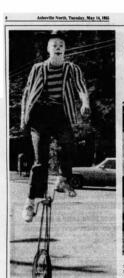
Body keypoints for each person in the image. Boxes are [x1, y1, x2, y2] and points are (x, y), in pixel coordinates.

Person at [20, 31, 90, 223]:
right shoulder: (38, 68)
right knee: (40, 162)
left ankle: (63, 179)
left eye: (61, 45)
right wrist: (23, 120)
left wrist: (85, 103)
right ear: (48, 49)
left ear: (65, 50)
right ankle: (30, 202)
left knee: (69, 145)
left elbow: (81, 87)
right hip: (39, 116)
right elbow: (27, 93)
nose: (58, 48)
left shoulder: (72, 68)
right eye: (54, 45)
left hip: (61, 114)